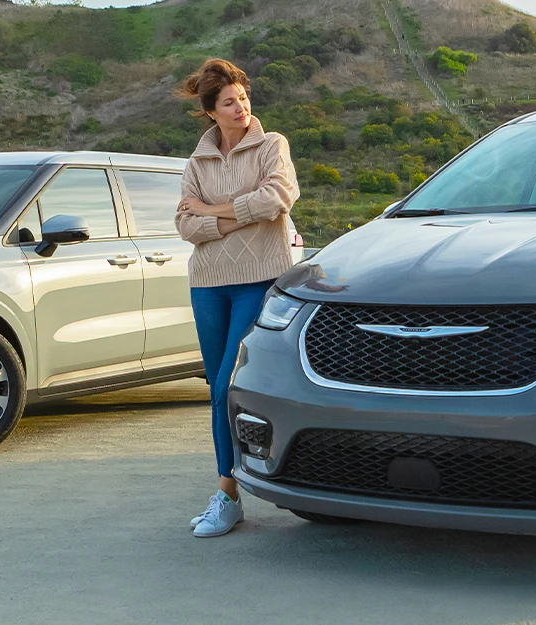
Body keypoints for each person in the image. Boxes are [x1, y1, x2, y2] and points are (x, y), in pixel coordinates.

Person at [174, 58, 299, 538]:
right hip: (207, 282)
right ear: (211, 111)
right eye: (229, 102)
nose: (241, 107)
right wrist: (228, 216)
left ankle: (228, 494)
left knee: (230, 385)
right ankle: (229, 495)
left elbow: (277, 200)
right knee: (216, 389)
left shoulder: (272, 146)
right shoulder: (197, 162)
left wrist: (213, 211)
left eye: (243, 97)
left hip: (259, 278)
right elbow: (186, 226)